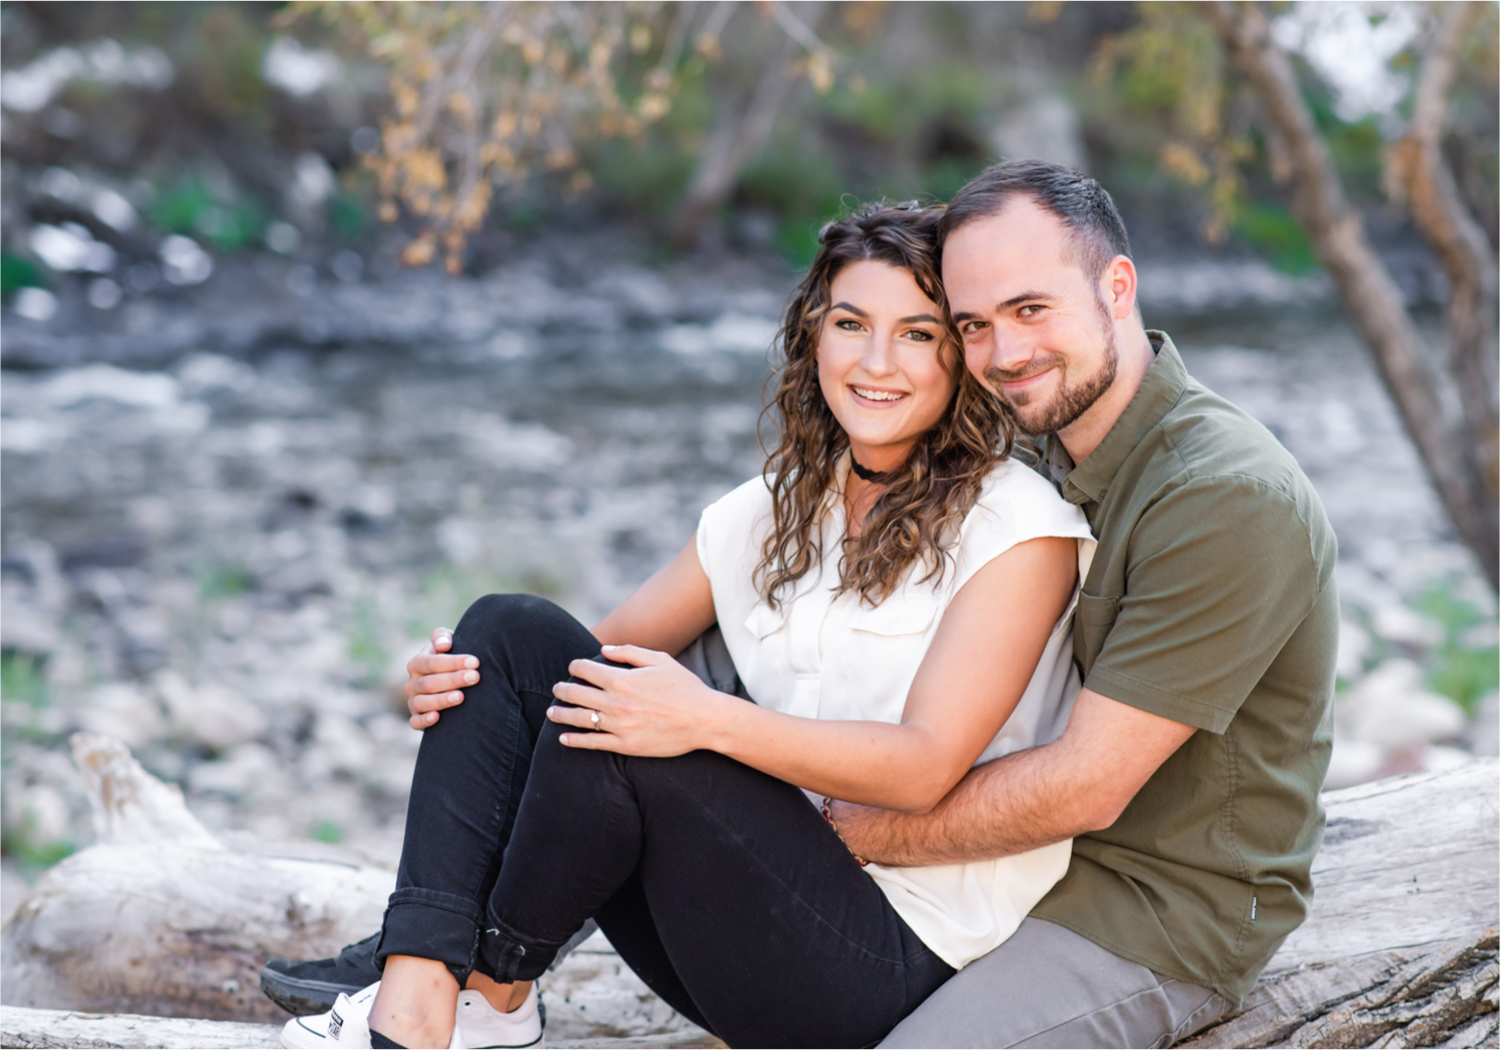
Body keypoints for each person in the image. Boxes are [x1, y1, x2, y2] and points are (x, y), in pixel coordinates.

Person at [275, 201, 1097, 1050]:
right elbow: (556, 675)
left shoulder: (1017, 526)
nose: (876, 362)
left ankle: (476, 988)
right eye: (852, 324)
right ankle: (431, 992)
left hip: (895, 967)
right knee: (507, 632)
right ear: (814, 335)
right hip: (736, 921)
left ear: (960, 354)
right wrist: (457, 678)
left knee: (633, 718)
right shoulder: (773, 512)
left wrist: (704, 719)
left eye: (917, 334)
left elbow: (924, 766)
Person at [838, 161, 1338, 1047]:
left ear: (1117, 287)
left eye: (1031, 309)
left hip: (1148, 906)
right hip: (1005, 864)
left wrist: (851, 832)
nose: (1004, 354)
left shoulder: (1226, 496)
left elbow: (1086, 786)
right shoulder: (1035, 454)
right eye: (973, 326)